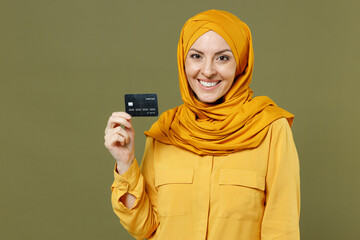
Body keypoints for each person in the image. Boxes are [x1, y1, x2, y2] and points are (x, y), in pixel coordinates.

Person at [104, 9, 300, 240]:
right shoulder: (165, 132)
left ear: (241, 63)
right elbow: (144, 227)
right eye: (196, 56)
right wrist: (125, 163)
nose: (207, 71)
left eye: (222, 57)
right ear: (182, 60)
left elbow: (282, 230)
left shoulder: (270, 129)